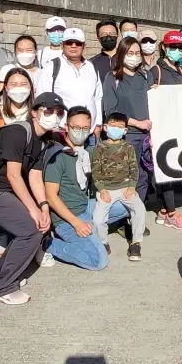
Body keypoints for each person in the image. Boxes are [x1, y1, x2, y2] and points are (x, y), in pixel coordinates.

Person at [0, 76, 53, 308]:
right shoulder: (19, 132)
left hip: (3, 190)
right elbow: (13, 174)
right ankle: (1, 288)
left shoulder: (43, 140)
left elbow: (35, 176)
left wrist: (43, 207)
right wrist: (32, 210)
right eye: (48, 110)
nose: (54, 115)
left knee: (36, 226)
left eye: (59, 112)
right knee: (30, 231)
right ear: (34, 112)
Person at [42, 105, 110, 271]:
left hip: (86, 207)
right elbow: (51, 196)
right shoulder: (58, 155)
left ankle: (91, 233)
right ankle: (48, 244)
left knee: (124, 204)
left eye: (85, 128)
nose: (80, 131)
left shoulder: (85, 152)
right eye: (76, 127)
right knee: (99, 261)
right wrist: (77, 223)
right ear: (67, 127)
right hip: (68, 218)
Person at [146, 30, 182, 231]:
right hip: (161, 129)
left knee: (173, 168)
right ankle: (171, 213)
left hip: (176, 127)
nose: (176, 51)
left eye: (180, 48)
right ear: (164, 47)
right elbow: (147, 99)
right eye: (172, 47)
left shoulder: (181, 71)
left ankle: (164, 211)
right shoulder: (156, 71)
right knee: (167, 170)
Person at [100, 37, 153, 206]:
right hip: (126, 136)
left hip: (147, 136)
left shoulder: (146, 75)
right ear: (122, 54)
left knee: (143, 176)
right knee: (126, 177)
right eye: (130, 53)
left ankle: (138, 215)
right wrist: (137, 123)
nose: (134, 57)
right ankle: (123, 216)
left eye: (137, 53)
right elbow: (111, 111)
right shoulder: (113, 78)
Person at [90, 112, 147, 261]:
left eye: (120, 126)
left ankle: (136, 242)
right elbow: (95, 171)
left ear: (125, 130)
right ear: (105, 127)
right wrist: (102, 189)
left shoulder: (128, 147)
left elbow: (134, 168)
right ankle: (103, 242)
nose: (116, 129)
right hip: (106, 189)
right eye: (113, 126)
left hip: (125, 187)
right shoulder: (99, 147)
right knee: (97, 219)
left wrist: (132, 187)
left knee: (139, 209)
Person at [36, 26, 103, 127]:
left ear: (84, 46)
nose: (73, 46)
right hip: (62, 130)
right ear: (62, 45)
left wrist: (98, 124)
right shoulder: (51, 67)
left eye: (78, 43)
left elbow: (97, 97)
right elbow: (42, 99)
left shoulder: (91, 67)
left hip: (89, 131)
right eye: (69, 42)